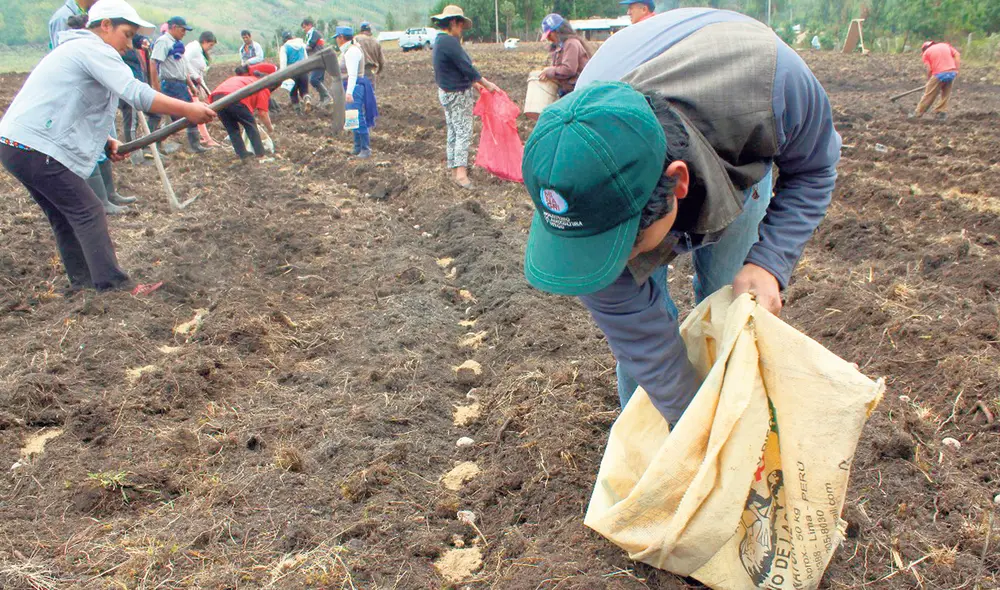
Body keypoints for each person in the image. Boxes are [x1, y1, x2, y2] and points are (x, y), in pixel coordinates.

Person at [520, 8, 841, 426]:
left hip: (732, 148)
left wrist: (769, 262)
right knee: (647, 372)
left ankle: (736, 415)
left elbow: (815, 168)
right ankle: (651, 450)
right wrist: (690, 435)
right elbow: (645, 344)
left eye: (624, 243)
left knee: (731, 304)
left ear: (678, 184)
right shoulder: (581, 175)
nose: (612, 266)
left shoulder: (774, 84)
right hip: (645, 144)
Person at [0, 0, 215, 294]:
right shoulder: (93, 48)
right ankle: (113, 285)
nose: (129, 44)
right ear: (105, 26)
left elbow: (70, 103)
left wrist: (105, 140)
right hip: (36, 146)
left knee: (65, 215)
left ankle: (82, 285)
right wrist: (189, 109)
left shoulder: (76, 49)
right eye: (126, 34)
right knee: (88, 210)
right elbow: (136, 93)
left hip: (17, 145)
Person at [59, 10, 134, 214]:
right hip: (82, 115)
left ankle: (110, 195)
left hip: (97, 111)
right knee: (91, 150)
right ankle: (102, 201)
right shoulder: (81, 50)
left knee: (102, 148)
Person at [431, 5, 500, 189]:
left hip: (446, 92)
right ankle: (461, 174)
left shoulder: (439, 41)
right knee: (463, 132)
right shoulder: (450, 42)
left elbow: (455, 69)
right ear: (453, 22)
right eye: (460, 26)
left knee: (453, 131)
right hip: (457, 94)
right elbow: (467, 67)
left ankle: (454, 170)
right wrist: (486, 83)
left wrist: (474, 83)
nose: (461, 30)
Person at [147, 16, 207, 153]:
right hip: (170, 84)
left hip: (180, 84)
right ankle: (153, 145)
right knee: (177, 116)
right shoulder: (163, 42)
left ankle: (194, 145)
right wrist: (156, 88)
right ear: (173, 27)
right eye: (182, 29)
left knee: (191, 114)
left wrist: (190, 85)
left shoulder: (177, 44)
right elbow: (153, 63)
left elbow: (182, 67)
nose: (184, 33)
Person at [209, 66, 275, 164]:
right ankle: (261, 155)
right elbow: (263, 113)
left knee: (232, 129)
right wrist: (270, 128)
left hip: (216, 98)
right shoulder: (261, 86)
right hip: (234, 97)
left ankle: (243, 155)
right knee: (250, 125)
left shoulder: (245, 80)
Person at [334, 26, 375, 159]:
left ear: (341, 38)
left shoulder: (352, 52)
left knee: (357, 117)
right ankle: (357, 146)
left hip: (355, 86)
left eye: (337, 38)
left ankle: (365, 148)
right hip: (352, 86)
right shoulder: (349, 49)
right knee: (352, 117)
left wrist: (349, 92)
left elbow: (352, 74)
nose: (336, 40)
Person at [538, 13, 593, 95]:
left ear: (557, 31)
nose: (549, 39)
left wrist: (550, 71)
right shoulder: (560, 46)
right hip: (569, 91)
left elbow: (569, 69)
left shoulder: (571, 44)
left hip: (578, 92)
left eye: (549, 35)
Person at [185, 30, 222, 148]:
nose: (210, 48)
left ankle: (203, 137)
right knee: (198, 110)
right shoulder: (194, 48)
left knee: (201, 107)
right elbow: (184, 61)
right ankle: (206, 139)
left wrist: (207, 91)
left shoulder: (200, 51)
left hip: (196, 83)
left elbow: (200, 74)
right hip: (190, 83)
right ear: (205, 41)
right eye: (210, 45)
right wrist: (194, 77)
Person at [912, 41, 960, 120]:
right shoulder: (945, 45)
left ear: (924, 49)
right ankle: (941, 112)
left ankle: (918, 113)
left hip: (939, 73)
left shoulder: (926, 53)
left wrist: (929, 81)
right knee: (946, 93)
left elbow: (929, 69)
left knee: (929, 94)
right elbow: (957, 55)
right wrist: (957, 69)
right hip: (952, 72)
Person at [302, 17, 332, 107]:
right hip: (319, 59)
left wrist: (301, 49)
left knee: (314, 79)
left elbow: (310, 46)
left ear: (310, 25)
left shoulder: (313, 33)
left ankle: (327, 97)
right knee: (319, 80)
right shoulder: (311, 34)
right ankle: (323, 100)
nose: (304, 30)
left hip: (318, 59)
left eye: (305, 27)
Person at [279, 31, 309, 114]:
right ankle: (307, 99)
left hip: (292, 73)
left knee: (293, 93)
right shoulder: (301, 45)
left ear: (284, 40)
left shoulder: (284, 47)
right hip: (303, 71)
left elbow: (283, 63)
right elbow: (306, 59)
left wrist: (283, 76)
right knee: (304, 91)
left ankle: (298, 112)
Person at [355, 22, 386, 89]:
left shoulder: (356, 39)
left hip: (358, 70)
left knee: (359, 93)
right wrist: (378, 71)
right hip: (371, 71)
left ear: (361, 30)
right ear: (370, 30)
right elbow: (382, 61)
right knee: (371, 93)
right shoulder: (376, 42)